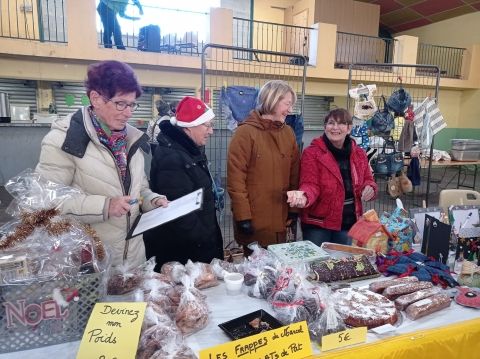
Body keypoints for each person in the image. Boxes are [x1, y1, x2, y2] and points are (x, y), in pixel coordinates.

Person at [36, 60, 168, 268]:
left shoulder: (131, 140)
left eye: (132, 104)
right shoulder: (64, 140)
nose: (128, 112)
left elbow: (138, 190)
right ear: (96, 98)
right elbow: (47, 202)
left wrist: (152, 200)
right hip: (92, 262)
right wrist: (105, 206)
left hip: (133, 258)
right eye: (120, 103)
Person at [144, 96, 223, 270]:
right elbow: (180, 213)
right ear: (189, 127)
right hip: (186, 254)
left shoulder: (189, 149)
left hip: (194, 246)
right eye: (207, 125)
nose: (211, 131)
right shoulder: (172, 158)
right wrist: (205, 242)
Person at [227, 80, 300, 253]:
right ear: (272, 100)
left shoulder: (288, 133)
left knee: (282, 275)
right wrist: (242, 217)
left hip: (281, 221)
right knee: (255, 275)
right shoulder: (245, 133)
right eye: (287, 104)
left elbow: (294, 173)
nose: (290, 110)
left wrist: (293, 208)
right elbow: (236, 179)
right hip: (254, 222)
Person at [287, 108, 377, 246]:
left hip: (347, 221)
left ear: (349, 128)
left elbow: (367, 179)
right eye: (331, 123)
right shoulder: (312, 153)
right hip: (317, 224)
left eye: (341, 123)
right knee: (316, 264)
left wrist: (369, 187)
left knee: (341, 263)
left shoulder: (359, 154)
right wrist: (305, 196)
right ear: (325, 127)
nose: (335, 128)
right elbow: (310, 184)